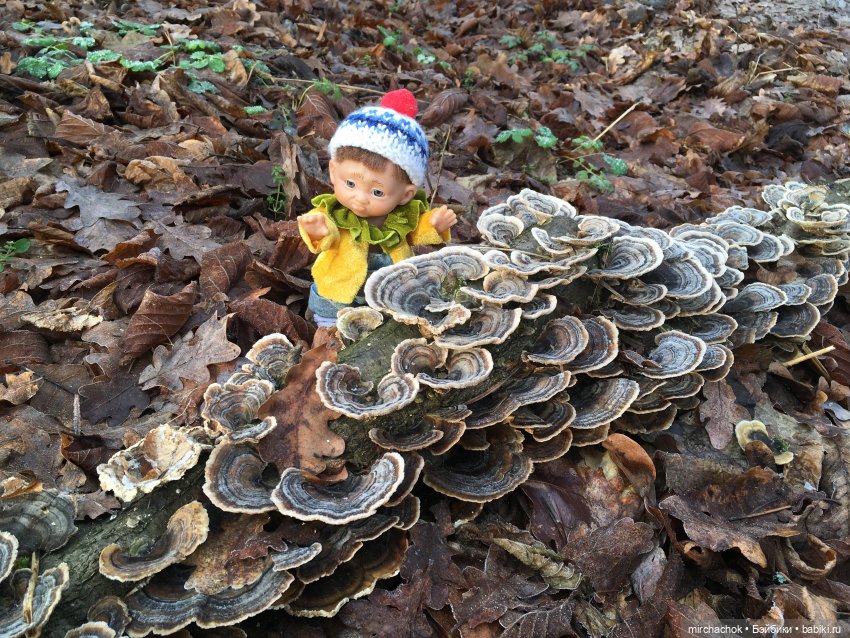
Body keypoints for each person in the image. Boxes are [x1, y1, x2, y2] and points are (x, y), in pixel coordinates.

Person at [298, 88, 457, 327]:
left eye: (377, 192)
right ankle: (326, 330)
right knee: (331, 321)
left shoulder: (402, 216)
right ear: (333, 171)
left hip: (391, 288)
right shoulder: (333, 211)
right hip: (338, 289)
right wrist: (318, 231)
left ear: (406, 195)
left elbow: (413, 233)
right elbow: (325, 231)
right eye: (350, 183)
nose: (360, 198)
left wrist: (433, 225)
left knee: (388, 322)